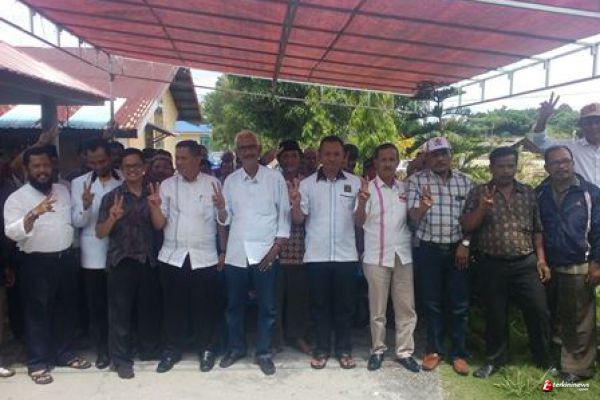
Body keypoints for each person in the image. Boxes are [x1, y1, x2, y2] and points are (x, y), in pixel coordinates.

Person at [461, 147, 552, 378]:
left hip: (526, 263)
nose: (506, 171)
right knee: (495, 314)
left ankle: (543, 359)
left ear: (515, 166)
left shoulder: (528, 192)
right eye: (500, 166)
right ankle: (495, 361)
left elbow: (537, 229)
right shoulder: (478, 192)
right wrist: (483, 208)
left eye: (510, 165)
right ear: (491, 168)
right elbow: (467, 225)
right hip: (491, 264)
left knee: (538, 311)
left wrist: (541, 260)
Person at [4, 146, 90, 385]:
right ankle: (38, 363)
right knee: (37, 314)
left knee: (66, 310)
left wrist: (85, 205)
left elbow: (75, 221)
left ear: (52, 166)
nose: (42, 170)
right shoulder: (17, 198)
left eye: (46, 165)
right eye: (36, 166)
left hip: (65, 260)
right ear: (26, 169)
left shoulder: (62, 190)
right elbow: (12, 233)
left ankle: (65, 354)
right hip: (35, 263)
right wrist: (33, 214)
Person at [218, 130, 290, 376]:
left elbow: (284, 216)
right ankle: (236, 348)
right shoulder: (230, 181)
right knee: (234, 306)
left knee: (267, 307)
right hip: (236, 254)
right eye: (242, 148)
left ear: (259, 150)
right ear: (237, 152)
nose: (247, 151)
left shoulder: (275, 179)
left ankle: (263, 353)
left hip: (265, 253)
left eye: (251, 147)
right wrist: (220, 209)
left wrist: (276, 248)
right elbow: (224, 220)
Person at [150, 141, 226, 373]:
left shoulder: (213, 183)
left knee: (205, 306)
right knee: (174, 307)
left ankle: (206, 349)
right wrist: (154, 207)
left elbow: (221, 222)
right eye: (177, 158)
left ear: (197, 159)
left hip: (205, 256)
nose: (179, 163)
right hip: (173, 256)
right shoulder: (167, 185)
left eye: (184, 158)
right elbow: (159, 224)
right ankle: (172, 350)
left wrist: (223, 250)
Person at [290, 135, 361, 370]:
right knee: (319, 307)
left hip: (346, 256)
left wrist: (363, 202)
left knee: (345, 308)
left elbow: (360, 222)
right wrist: (295, 202)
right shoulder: (307, 184)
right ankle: (321, 350)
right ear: (320, 156)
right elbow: (298, 220)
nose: (331, 158)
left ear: (344, 157)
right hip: (317, 256)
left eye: (336, 154)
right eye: (327, 154)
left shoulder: (356, 183)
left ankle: (344, 350)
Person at [407, 136, 472, 375]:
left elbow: (472, 219)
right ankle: (433, 351)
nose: (440, 159)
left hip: (458, 249)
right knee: (431, 303)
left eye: (444, 153)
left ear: (450, 155)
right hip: (428, 249)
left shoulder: (466, 182)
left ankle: (458, 353)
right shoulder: (416, 181)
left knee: (458, 303)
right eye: (435, 155)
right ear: (427, 158)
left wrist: (465, 243)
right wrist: (422, 208)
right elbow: (412, 217)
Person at [96, 148, 161, 379]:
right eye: (127, 166)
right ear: (121, 170)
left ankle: (149, 350)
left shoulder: (153, 193)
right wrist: (112, 218)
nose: (132, 170)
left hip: (147, 259)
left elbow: (159, 226)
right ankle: (121, 360)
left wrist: (155, 207)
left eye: (136, 165)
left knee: (148, 309)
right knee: (120, 314)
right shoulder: (112, 197)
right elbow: (100, 233)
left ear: (144, 167)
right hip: (121, 260)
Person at [537, 145, 600, 382]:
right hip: (548, 266)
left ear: (572, 163)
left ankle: (578, 368)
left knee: (579, 319)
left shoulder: (590, 193)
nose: (562, 166)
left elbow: (599, 230)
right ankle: (556, 359)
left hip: (579, 264)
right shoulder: (540, 193)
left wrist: (597, 263)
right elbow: (535, 229)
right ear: (547, 167)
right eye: (555, 162)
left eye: (566, 161)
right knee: (553, 313)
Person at [355, 143, 419, 373]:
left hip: (402, 255)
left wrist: (423, 207)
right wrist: (362, 201)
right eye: (383, 159)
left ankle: (405, 351)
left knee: (405, 308)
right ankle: (378, 350)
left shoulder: (405, 189)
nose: (388, 164)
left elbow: (413, 217)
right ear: (376, 162)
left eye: (392, 159)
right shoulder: (367, 189)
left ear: (397, 162)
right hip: (376, 256)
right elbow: (358, 222)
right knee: (377, 309)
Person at [70, 139, 122, 370]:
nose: (98, 166)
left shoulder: (123, 178)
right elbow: (77, 222)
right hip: (93, 254)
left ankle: (121, 346)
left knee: (120, 303)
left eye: (102, 161)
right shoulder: (78, 183)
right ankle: (102, 350)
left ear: (110, 158)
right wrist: (85, 206)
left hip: (121, 250)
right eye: (92, 162)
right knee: (97, 305)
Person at [273, 140, 311, 355]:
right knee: (275, 297)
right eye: (285, 156)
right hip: (274, 249)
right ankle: (276, 338)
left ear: (300, 158)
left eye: (293, 156)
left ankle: (297, 336)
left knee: (298, 297)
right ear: (279, 160)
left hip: (300, 248)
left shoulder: (308, 182)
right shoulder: (272, 181)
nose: (289, 160)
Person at [530, 94, 600, 186]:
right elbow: (540, 142)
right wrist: (543, 118)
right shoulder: (568, 148)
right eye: (588, 123)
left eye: (598, 122)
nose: (594, 127)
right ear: (581, 126)